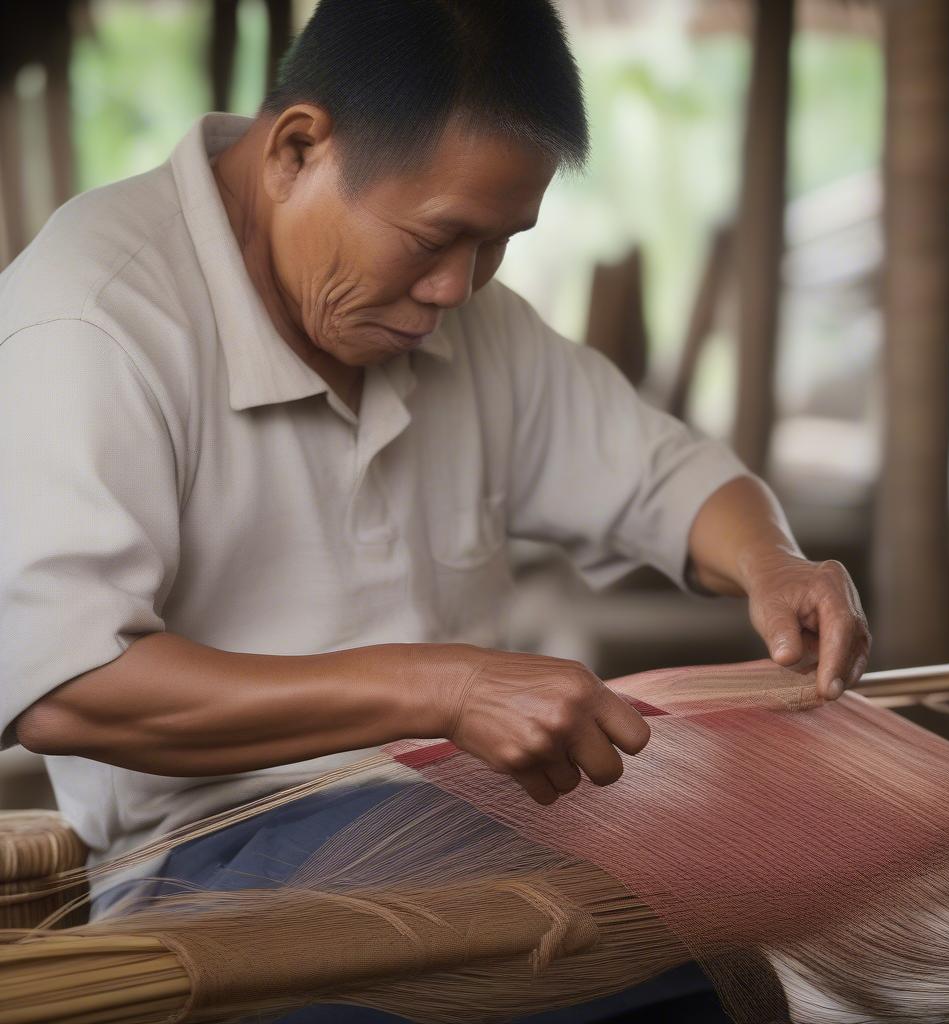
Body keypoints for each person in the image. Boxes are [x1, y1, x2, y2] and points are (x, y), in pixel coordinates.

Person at [0, 1, 869, 1019]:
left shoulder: (463, 320)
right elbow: (65, 685)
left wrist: (770, 562)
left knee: (713, 983)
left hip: (489, 827)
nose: (460, 286)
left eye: (498, 242)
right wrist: (446, 688)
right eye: (435, 237)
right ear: (297, 150)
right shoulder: (94, 319)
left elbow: (667, 479)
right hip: (212, 861)